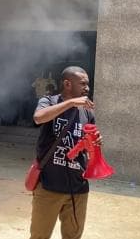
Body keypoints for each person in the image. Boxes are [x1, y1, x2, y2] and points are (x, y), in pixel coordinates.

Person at [29, 66, 97, 239]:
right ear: (67, 84)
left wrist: (95, 143)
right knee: (39, 236)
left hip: (78, 188)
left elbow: (90, 146)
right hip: (49, 186)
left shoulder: (87, 112)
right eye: (83, 84)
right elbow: (39, 117)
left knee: (73, 236)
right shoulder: (49, 101)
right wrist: (71, 103)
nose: (87, 88)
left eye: (87, 84)